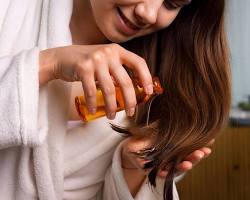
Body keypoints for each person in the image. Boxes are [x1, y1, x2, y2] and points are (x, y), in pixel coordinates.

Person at [0, 0, 230, 200]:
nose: (148, 13)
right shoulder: (10, 10)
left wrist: (131, 170)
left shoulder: (152, 100)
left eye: (172, 3)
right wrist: (49, 64)